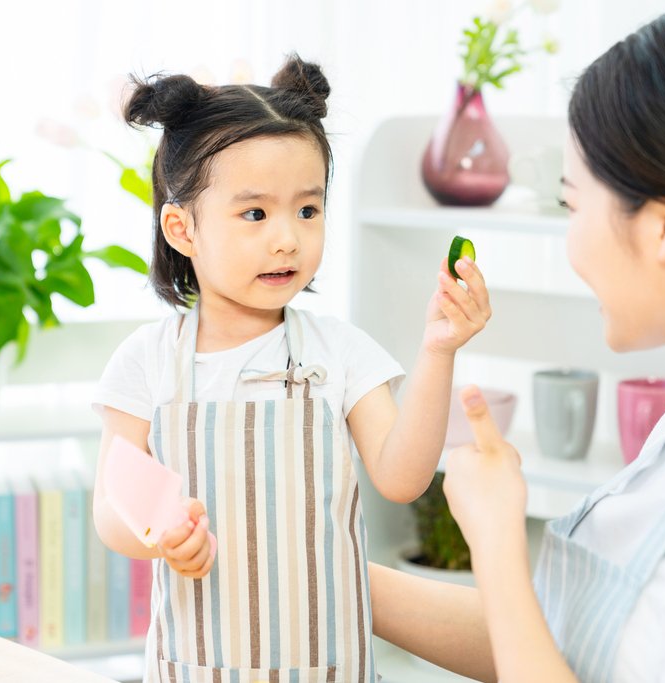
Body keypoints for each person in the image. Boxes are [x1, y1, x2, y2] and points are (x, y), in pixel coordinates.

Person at [368, 5, 665, 682]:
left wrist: (497, 546)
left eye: (573, 205)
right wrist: (329, 575)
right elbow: (550, 646)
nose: (572, 245)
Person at [90, 55, 492, 683]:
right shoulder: (147, 361)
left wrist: (438, 350)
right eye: (255, 214)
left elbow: (402, 477)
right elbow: (112, 507)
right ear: (181, 227)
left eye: (308, 210)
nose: (287, 239)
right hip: (199, 667)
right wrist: (160, 536)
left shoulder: (340, 352)